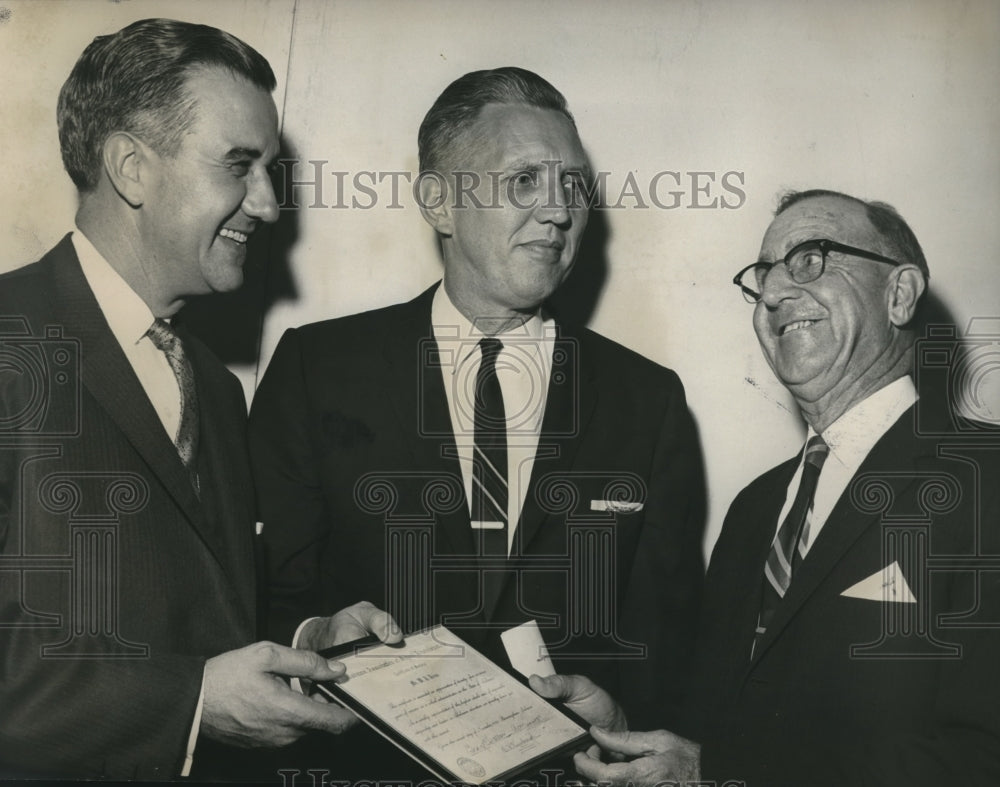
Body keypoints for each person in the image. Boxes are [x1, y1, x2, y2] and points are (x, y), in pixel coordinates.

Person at [249, 66, 705, 748]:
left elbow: (667, 638)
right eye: (524, 180)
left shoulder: (647, 399)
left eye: (571, 186)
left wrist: (624, 719)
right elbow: (263, 591)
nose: (558, 211)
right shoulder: (319, 369)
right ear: (438, 202)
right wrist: (312, 636)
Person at [0, 19, 399, 780]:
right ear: (131, 168)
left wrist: (306, 647)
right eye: (239, 165)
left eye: (270, 169)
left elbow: (200, 621)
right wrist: (191, 701)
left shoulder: (212, 384)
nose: (269, 204)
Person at [534, 189, 1000, 786]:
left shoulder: (983, 479)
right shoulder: (756, 508)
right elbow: (717, 732)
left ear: (899, 294)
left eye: (810, 258)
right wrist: (626, 736)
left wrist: (720, 773)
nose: (775, 291)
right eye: (764, 274)